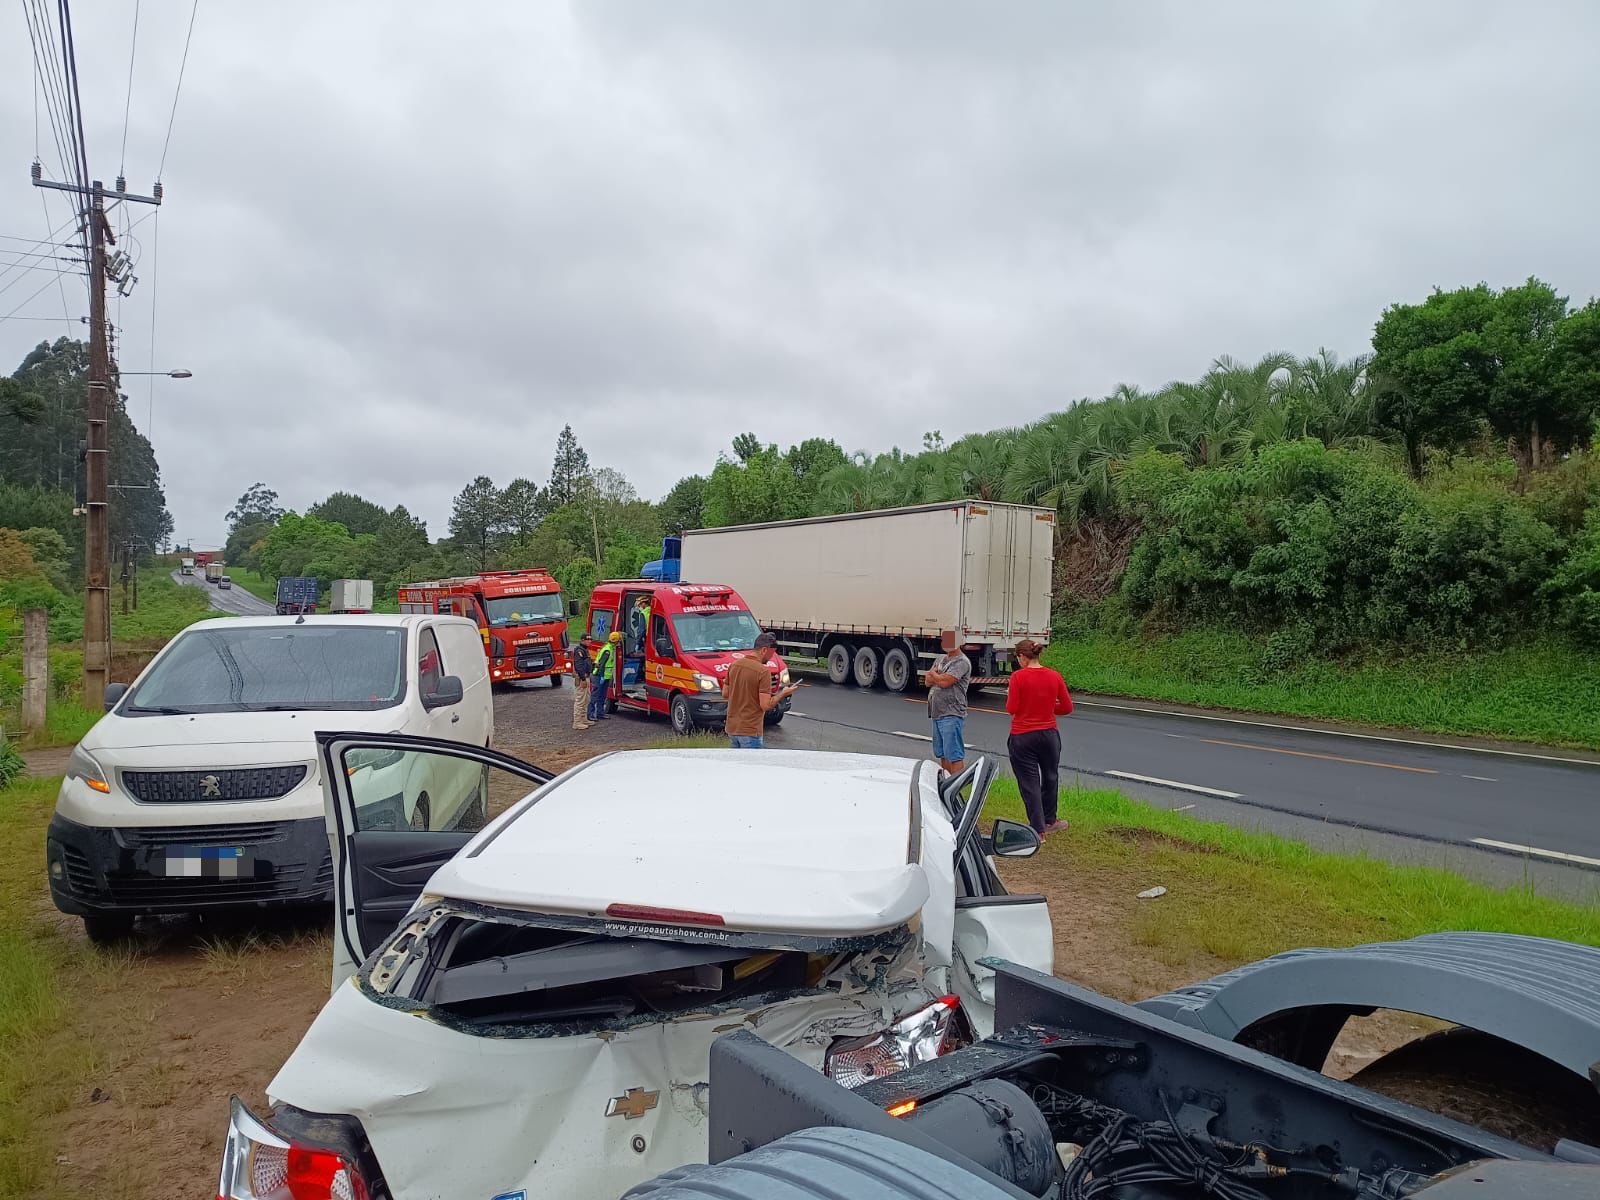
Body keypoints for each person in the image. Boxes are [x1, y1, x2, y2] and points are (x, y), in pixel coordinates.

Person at [1005, 639, 1073, 838]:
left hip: (1023, 735)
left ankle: (1037, 829)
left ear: (1022, 657)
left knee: (1030, 782)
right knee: (1050, 777)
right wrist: (1048, 708)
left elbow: (1012, 708)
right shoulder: (1054, 676)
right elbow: (1067, 707)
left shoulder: (1018, 677)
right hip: (1049, 734)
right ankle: (1050, 820)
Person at [723, 631, 799, 748]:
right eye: (771, 653)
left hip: (732, 729)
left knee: (737, 765)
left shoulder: (734, 665)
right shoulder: (763, 672)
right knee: (753, 765)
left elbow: (725, 694)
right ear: (764, 650)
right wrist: (782, 694)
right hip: (750, 731)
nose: (771, 657)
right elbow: (765, 705)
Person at [924, 631, 971, 775]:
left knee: (954, 754)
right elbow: (927, 681)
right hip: (937, 712)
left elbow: (945, 682)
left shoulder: (961, 662)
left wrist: (935, 675)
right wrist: (936, 676)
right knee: (942, 752)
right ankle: (946, 783)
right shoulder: (941, 659)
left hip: (952, 712)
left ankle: (955, 787)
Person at [589, 632, 621, 722]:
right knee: (595, 696)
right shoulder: (608, 650)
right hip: (599, 676)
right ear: (616, 641)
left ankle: (600, 713)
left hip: (604, 677)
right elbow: (602, 665)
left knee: (602, 696)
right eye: (619, 640)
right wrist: (602, 676)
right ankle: (591, 714)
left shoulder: (610, 648)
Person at [571, 640, 593, 731]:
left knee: (586, 699)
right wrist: (583, 679)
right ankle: (577, 722)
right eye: (587, 640)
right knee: (580, 700)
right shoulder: (579, 651)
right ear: (582, 640)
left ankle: (583, 719)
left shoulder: (584, 650)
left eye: (590, 639)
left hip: (586, 676)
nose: (589, 641)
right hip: (581, 678)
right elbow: (579, 666)